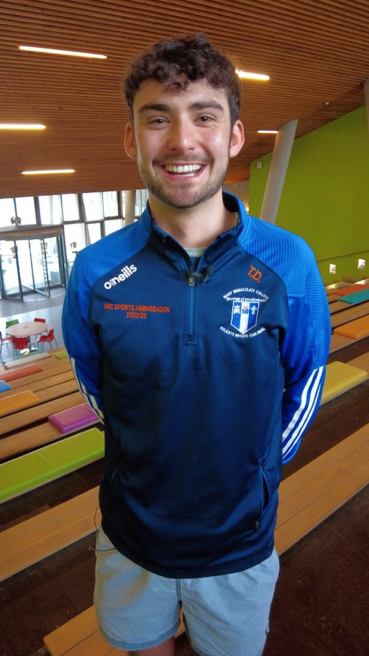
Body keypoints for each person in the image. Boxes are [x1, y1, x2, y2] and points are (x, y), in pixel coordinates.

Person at [62, 33, 331, 656]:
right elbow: (91, 376)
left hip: (237, 541)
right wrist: (141, 455)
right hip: (132, 534)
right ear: (132, 139)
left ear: (234, 136)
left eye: (204, 116)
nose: (182, 141)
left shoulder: (288, 263)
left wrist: (254, 477)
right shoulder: (97, 268)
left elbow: (306, 385)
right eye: (158, 119)